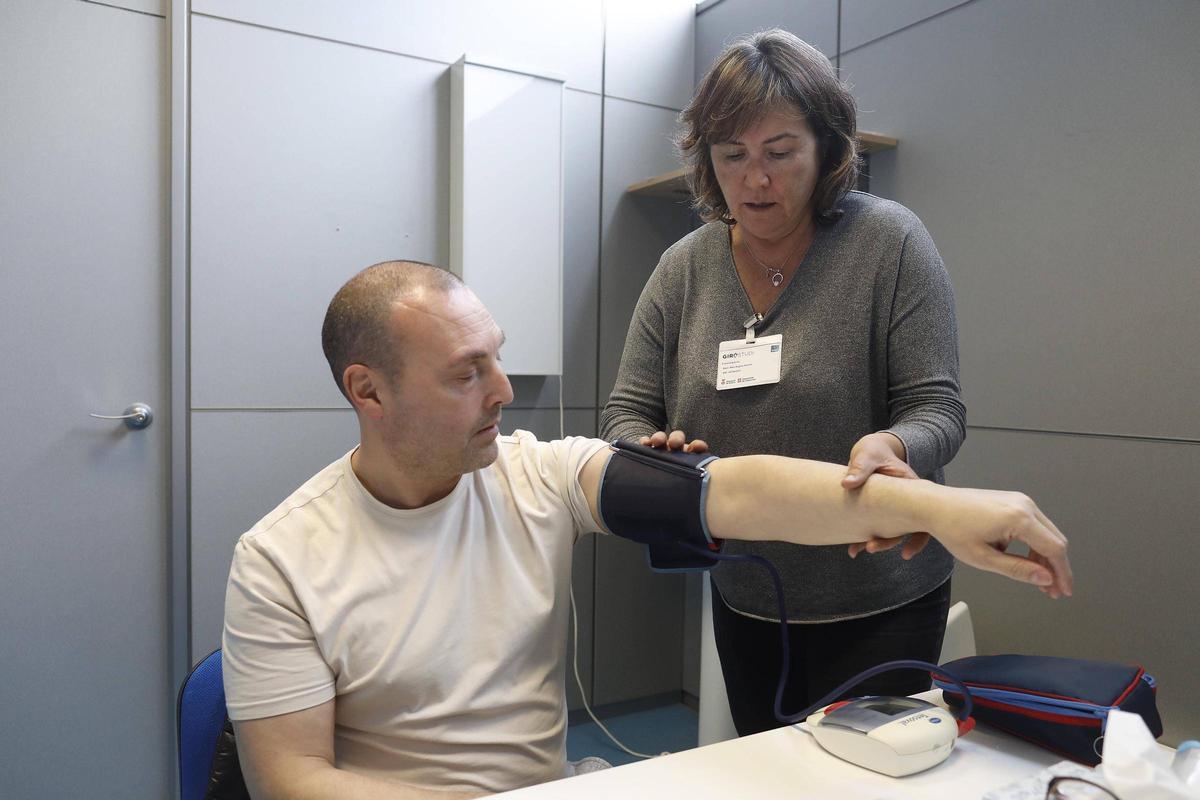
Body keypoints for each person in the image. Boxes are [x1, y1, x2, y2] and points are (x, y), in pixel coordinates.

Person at [223, 260, 1070, 800]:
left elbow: (737, 492)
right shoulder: (280, 561)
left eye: (497, 356)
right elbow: (292, 780)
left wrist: (935, 507)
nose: (502, 392)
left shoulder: (534, 475)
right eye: (464, 373)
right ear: (367, 392)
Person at [600, 28, 968, 736]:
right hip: (746, 591)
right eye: (732, 156)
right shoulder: (684, 268)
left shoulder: (888, 242)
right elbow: (625, 412)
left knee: (863, 784)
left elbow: (937, 407)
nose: (754, 180)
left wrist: (897, 444)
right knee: (765, 769)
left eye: (780, 153)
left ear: (828, 148)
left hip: (881, 595)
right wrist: (654, 455)